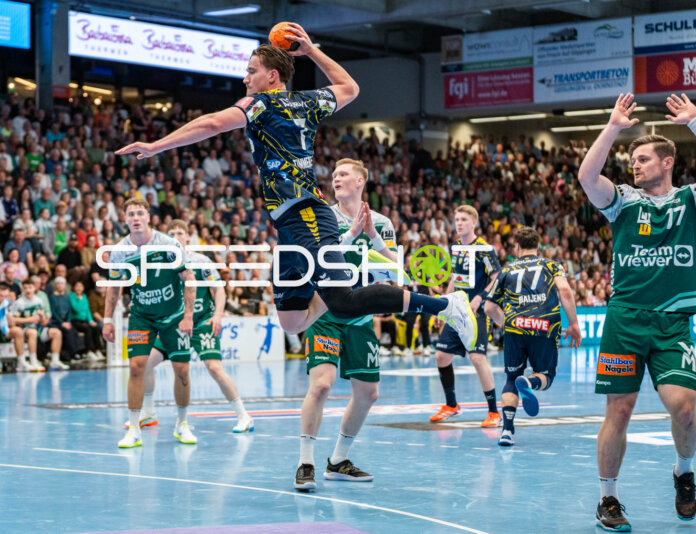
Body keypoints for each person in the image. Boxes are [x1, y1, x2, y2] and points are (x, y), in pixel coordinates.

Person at [116, 33, 475, 347]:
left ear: (272, 77)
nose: (245, 78)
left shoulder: (261, 104)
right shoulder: (307, 101)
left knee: (344, 304)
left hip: (308, 216)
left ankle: (446, 306)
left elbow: (212, 123)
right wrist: (312, 52)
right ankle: (337, 261)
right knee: (291, 322)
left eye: (251, 71)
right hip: (289, 226)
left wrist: (154, 146)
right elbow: (351, 88)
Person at [578, 92, 696, 530]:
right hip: (625, 320)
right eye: (634, 159)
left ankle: (685, 472)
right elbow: (587, 176)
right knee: (620, 411)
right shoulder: (624, 200)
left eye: (644, 158)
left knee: (685, 410)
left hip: (673, 323)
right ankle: (608, 498)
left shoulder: (690, 201)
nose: (636, 165)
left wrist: (694, 121)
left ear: (668, 162)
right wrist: (612, 128)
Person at [294, 159, 399, 491]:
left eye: (343, 175)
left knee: (368, 393)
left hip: (361, 315)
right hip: (325, 311)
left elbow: (396, 269)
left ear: (360, 181)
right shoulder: (321, 218)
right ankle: (305, 462)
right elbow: (314, 263)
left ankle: (338, 460)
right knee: (322, 385)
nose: (335, 179)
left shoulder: (381, 223)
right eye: (334, 175)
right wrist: (351, 236)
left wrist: (371, 238)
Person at [129, 219, 253, 443]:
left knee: (214, 368)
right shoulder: (161, 261)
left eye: (180, 233)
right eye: (172, 233)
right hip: (174, 324)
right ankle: (148, 412)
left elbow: (219, 289)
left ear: (187, 237)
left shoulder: (200, 260)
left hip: (200, 321)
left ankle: (243, 415)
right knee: (144, 363)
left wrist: (217, 315)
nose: (176, 236)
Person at [102, 199, 195, 449]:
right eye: (130, 214)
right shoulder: (120, 250)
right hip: (141, 315)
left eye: (140, 213)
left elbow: (189, 277)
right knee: (136, 367)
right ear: (125, 219)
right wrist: (107, 320)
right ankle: (134, 429)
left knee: (182, 371)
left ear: (148, 217)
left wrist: (188, 316)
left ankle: (182, 424)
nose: (135, 218)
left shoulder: (168, 244)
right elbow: (113, 288)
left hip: (173, 316)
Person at [483, 227, 581, 447]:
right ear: (538, 247)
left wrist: (506, 322)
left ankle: (507, 431)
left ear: (517, 247)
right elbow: (564, 291)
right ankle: (529, 382)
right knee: (546, 376)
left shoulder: (507, 270)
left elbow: (488, 306)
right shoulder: (551, 265)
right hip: (544, 326)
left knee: (510, 379)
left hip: (516, 327)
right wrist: (573, 323)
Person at [429, 205, 502, 428]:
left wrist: (480, 297)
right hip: (458, 308)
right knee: (441, 356)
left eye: (463, 220)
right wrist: (442, 305)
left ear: (474, 223)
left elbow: (496, 276)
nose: (459, 223)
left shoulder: (484, 249)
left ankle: (494, 412)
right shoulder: (455, 248)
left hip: (477, 312)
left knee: (477, 357)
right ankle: (451, 405)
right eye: (457, 219)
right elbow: (455, 278)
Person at [9, 279, 48, 372]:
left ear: (34, 288)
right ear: (22, 289)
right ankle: (32, 360)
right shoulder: (18, 302)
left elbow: (42, 321)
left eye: (30, 287)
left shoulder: (39, 301)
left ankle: (54, 360)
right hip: (23, 328)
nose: (28, 290)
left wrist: (42, 317)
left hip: (38, 327)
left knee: (56, 332)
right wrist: (28, 320)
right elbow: (12, 320)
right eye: (25, 288)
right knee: (32, 332)